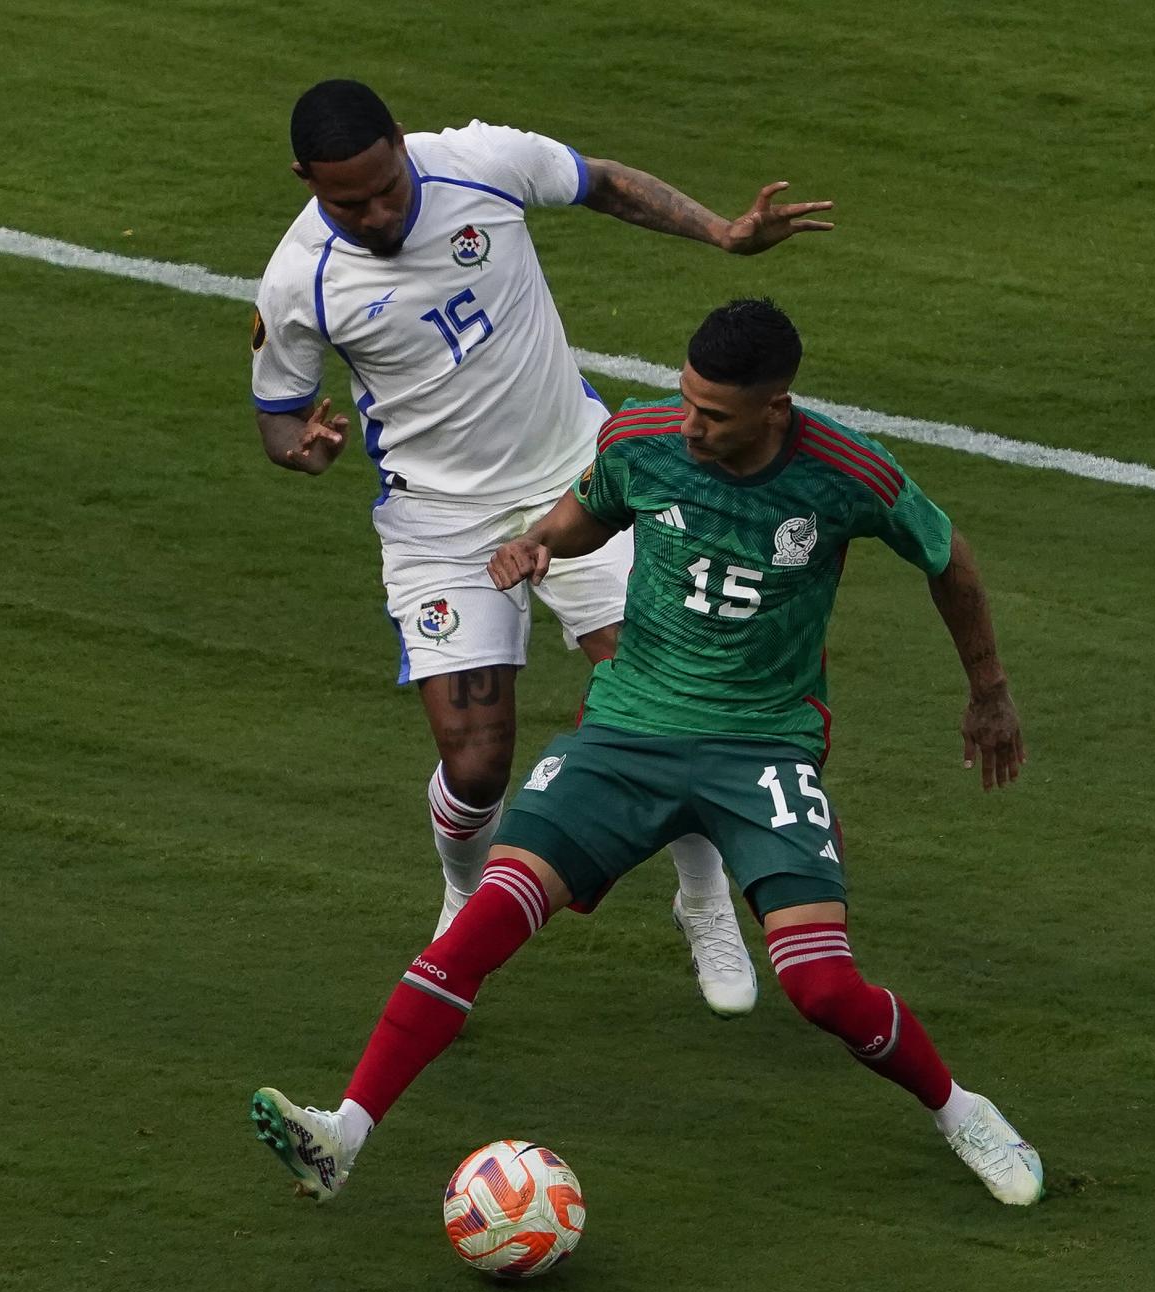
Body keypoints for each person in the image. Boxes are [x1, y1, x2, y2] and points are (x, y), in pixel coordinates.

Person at [249, 299, 1044, 1209]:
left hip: (762, 745)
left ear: (774, 407)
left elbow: (948, 559)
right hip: (628, 733)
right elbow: (590, 509)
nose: (691, 422)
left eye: (714, 412)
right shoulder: (643, 437)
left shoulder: (844, 472)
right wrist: (536, 545)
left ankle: (960, 1109)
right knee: (480, 927)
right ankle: (342, 1134)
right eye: (687, 397)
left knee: (822, 986)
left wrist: (989, 693)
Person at [251, 80, 836, 1015]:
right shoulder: (299, 281)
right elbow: (280, 417)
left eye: (385, 187)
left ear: (401, 144)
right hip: (441, 523)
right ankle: (460, 888)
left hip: (577, 477)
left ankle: (702, 896)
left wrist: (723, 234)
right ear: (303, 181)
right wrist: (306, 453)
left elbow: (599, 181)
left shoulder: (480, 164)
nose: (375, 214)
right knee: (478, 762)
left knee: (670, 695)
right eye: (345, 202)